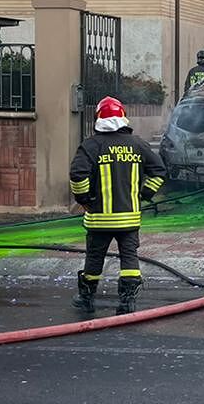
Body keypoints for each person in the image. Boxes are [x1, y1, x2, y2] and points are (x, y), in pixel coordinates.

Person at [69, 96, 166, 316]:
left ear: (98, 119)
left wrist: (84, 200)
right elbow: (159, 171)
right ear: (123, 117)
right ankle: (127, 302)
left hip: (99, 218)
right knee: (129, 258)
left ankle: (86, 298)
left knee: (95, 258)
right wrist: (144, 194)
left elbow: (77, 175)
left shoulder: (90, 146)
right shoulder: (138, 144)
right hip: (129, 218)